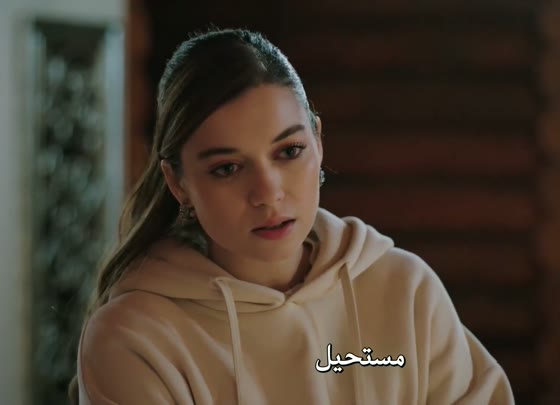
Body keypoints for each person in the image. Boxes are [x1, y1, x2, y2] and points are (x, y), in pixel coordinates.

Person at [70, 28, 514, 405]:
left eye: (289, 151)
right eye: (227, 168)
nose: (268, 194)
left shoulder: (406, 291)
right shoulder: (134, 339)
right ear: (178, 182)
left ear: (317, 142)